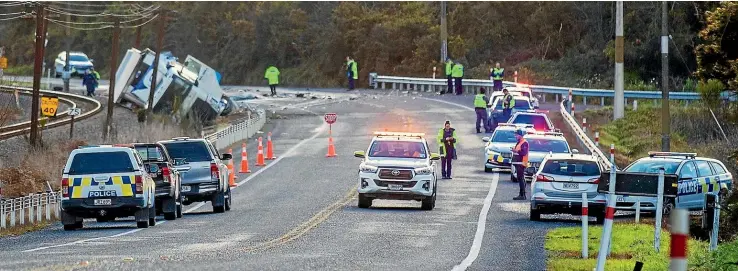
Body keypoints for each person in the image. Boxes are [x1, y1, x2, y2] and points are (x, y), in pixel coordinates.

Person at [511, 128, 529, 200]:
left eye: (517, 135)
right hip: (518, 163)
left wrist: (516, 150)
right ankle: (522, 194)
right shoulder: (519, 142)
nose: (515, 136)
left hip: (521, 163)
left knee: (520, 178)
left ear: (520, 135)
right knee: (521, 178)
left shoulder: (524, 142)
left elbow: (523, 153)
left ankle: (522, 195)